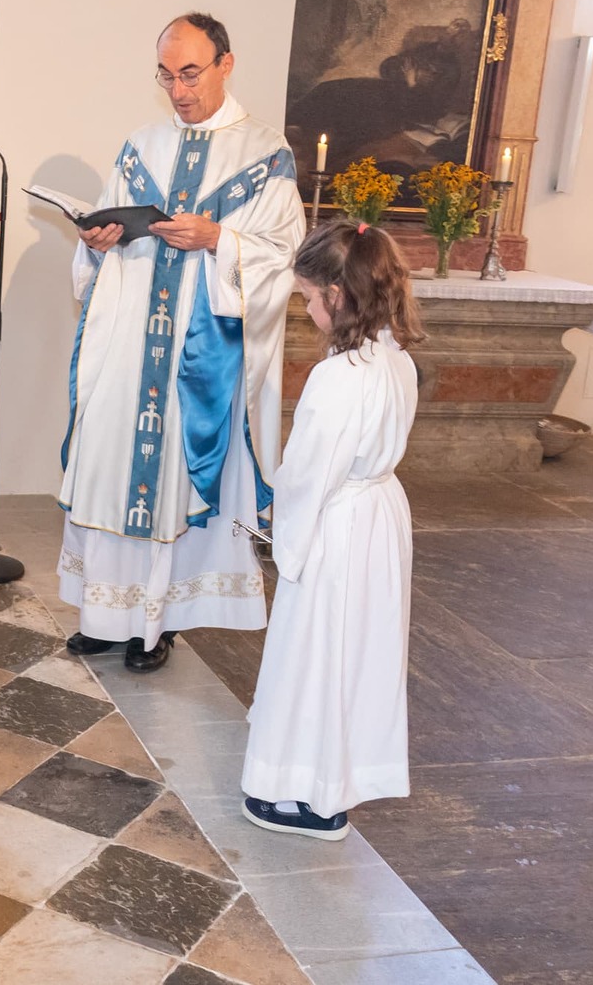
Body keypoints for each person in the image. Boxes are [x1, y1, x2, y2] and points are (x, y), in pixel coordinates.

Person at [58, 12, 305, 673]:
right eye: (166, 76)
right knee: (110, 468)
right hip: (127, 346)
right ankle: (104, 615)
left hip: (198, 358)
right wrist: (97, 242)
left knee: (171, 480)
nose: (178, 90)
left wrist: (218, 238)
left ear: (226, 64)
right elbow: (106, 243)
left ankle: (155, 623)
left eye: (190, 74)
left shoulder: (266, 154)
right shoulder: (141, 145)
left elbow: (284, 257)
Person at [239, 219, 424, 841]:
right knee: (360, 656)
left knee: (316, 653)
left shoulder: (338, 376)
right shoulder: (396, 359)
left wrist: (278, 532)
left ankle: (310, 797)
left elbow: (308, 473)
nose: (306, 308)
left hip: (336, 524)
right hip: (379, 518)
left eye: (308, 297)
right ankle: (338, 782)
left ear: (337, 295)